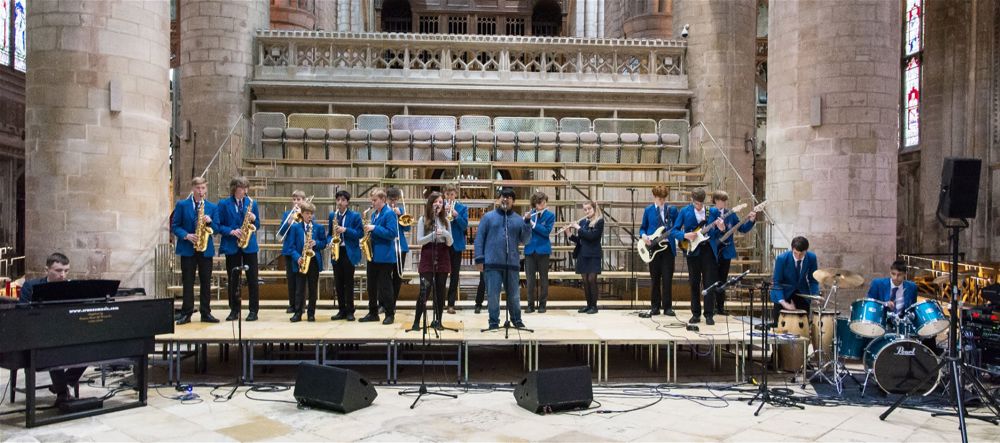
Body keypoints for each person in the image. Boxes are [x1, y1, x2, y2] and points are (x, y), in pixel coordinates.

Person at [19, 253, 85, 404]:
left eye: (66, 271)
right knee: (52, 348)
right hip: (37, 335)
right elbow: (21, 313)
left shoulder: (70, 287)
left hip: (63, 333)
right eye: (58, 270)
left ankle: (64, 383)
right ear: (46, 269)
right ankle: (62, 393)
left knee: (91, 346)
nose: (63, 275)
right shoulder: (31, 286)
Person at [474, 188, 531, 330]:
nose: (505, 199)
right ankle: (493, 321)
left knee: (514, 296)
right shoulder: (488, 217)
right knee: (493, 295)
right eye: (503, 197)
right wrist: (479, 259)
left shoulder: (518, 219)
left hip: (511, 263)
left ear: (513, 201)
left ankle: (516, 320)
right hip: (492, 263)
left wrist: (527, 223)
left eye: (509, 197)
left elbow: (526, 240)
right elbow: (479, 238)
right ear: (499, 199)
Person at [171, 177, 220, 325]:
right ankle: (186, 313)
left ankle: (206, 312)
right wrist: (186, 235)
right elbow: (175, 226)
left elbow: (216, 229)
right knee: (188, 282)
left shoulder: (212, 207)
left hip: (205, 249)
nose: (200, 191)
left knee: (206, 281)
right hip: (188, 249)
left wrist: (210, 221)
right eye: (198, 188)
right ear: (193, 189)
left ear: (206, 189)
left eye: (203, 188)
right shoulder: (182, 205)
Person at [671, 188, 723, 325]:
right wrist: (685, 235)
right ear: (692, 200)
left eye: (701, 203)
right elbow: (674, 231)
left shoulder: (712, 211)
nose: (699, 206)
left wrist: (721, 228)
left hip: (708, 252)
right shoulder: (684, 211)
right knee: (694, 283)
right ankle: (695, 313)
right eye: (696, 203)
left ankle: (709, 314)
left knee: (709, 283)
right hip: (693, 251)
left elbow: (717, 233)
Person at [217, 176, 261, 322]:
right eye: (242, 188)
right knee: (233, 279)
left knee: (253, 279)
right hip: (232, 245)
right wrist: (231, 231)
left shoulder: (252, 203)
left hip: (249, 246)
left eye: (246, 188)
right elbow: (218, 225)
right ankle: (234, 310)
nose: (245, 191)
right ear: (234, 188)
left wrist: (254, 218)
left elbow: (258, 225)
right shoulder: (224, 204)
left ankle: (253, 311)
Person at [711, 191, 757, 316]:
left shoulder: (730, 214)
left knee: (723, 279)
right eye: (721, 200)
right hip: (712, 251)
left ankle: (720, 308)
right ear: (715, 200)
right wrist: (720, 230)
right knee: (712, 279)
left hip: (726, 251)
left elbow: (742, 228)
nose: (724, 203)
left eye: (725, 200)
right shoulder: (710, 213)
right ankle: (711, 307)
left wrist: (751, 220)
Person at [413, 192, 453, 330]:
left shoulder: (446, 221)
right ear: (430, 204)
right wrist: (432, 235)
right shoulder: (422, 220)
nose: (438, 204)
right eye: (435, 202)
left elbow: (450, 242)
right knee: (425, 289)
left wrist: (446, 233)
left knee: (441, 291)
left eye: (441, 202)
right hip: (428, 253)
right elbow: (419, 240)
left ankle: (438, 321)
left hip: (443, 254)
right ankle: (417, 322)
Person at [359, 189, 399, 325]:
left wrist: (374, 228)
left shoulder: (389, 213)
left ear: (383, 199)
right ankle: (373, 312)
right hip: (374, 255)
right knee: (371, 286)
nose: (373, 203)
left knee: (385, 286)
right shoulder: (375, 214)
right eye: (372, 200)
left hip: (385, 256)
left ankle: (389, 314)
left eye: (375, 200)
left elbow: (392, 233)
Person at [284, 202, 328, 322]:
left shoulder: (318, 228)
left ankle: (311, 313)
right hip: (300, 261)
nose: (309, 216)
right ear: (302, 214)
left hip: (313, 261)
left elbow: (324, 243)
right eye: (307, 213)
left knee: (313, 289)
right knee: (299, 289)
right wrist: (297, 257)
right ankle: (298, 313)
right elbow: (290, 247)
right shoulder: (295, 228)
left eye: (311, 214)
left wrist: (316, 243)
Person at [639, 185, 679, 318]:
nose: (661, 201)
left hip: (667, 249)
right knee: (655, 278)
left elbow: (678, 227)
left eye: (663, 199)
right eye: (659, 198)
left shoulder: (672, 210)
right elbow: (642, 228)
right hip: (653, 248)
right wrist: (644, 236)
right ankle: (655, 307)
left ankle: (667, 307)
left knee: (667, 279)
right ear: (654, 197)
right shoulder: (648, 210)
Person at [769, 236, 820, 326]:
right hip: (783, 292)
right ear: (792, 249)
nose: (799, 257)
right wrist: (784, 303)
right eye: (796, 253)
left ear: (806, 250)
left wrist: (815, 295)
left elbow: (813, 279)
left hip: (802, 292)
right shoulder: (782, 259)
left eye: (802, 254)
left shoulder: (811, 258)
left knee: (802, 326)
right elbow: (777, 282)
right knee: (779, 326)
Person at [329, 190, 363, 321]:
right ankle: (341, 310)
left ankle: (350, 311)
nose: (340, 202)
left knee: (348, 283)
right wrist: (330, 241)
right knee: (338, 283)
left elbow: (360, 233)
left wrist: (345, 230)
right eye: (338, 200)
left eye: (343, 200)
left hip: (349, 252)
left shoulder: (354, 216)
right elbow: (328, 234)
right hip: (336, 251)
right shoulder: (333, 215)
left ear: (347, 202)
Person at [566, 200, 604, 314]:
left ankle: (594, 306)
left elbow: (592, 237)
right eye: (585, 209)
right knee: (585, 281)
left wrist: (578, 228)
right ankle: (588, 305)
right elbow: (581, 240)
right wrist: (570, 235)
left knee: (592, 279)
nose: (587, 211)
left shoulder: (599, 221)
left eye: (589, 209)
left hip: (593, 254)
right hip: (583, 253)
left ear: (594, 208)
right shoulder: (583, 222)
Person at [524, 191, 555, 313]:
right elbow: (524, 230)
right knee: (530, 280)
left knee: (544, 279)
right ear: (535, 204)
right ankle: (530, 305)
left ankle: (543, 305)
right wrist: (526, 221)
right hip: (530, 250)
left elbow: (546, 231)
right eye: (539, 203)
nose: (542, 204)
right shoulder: (530, 214)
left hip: (543, 250)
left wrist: (533, 224)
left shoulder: (550, 216)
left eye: (544, 202)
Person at [278, 190, 307, 313]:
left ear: (303, 201)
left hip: (301, 251)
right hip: (289, 250)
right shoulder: (287, 215)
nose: (296, 202)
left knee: (301, 279)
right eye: (294, 199)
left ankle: (301, 305)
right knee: (291, 279)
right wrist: (289, 221)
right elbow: (281, 233)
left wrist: (301, 217)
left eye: (299, 199)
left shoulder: (307, 214)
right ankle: (292, 304)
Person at [443, 184, 469, 315]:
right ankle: (440, 301)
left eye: (452, 194)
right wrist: (442, 212)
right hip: (443, 244)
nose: (450, 197)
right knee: (441, 274)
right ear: (445, 195)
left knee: (454, 275)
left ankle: (451, 304)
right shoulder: (440, 206)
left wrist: (456, 215)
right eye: (447, 195)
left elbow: (465, 226)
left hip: (456, 245)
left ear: (456, 195)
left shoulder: (462, 208)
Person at [386, 187, 410, 309]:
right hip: (388, 247)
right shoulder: (384, 211)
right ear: (387, 199)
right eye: (391, 199)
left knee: (397, 277)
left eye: (395, 199)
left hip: (400, 247)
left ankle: (393, 304)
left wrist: (401, 215)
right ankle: (384, 303)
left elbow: (407, 229)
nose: (393, 202)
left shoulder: (400, 210)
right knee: (385, 277)